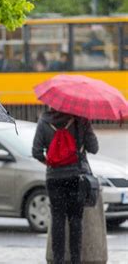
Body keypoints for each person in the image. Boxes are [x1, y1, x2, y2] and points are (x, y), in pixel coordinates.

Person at [32, 109, 99, 264]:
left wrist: (51, 163)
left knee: (57, 219)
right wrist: (86, 129)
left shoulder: (44, 121)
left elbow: (36, 152)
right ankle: (76, 260)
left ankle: (58, 260)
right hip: (77, 177)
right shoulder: (81, 121)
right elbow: (94, 148)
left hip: (54, 178)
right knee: (76, 219)